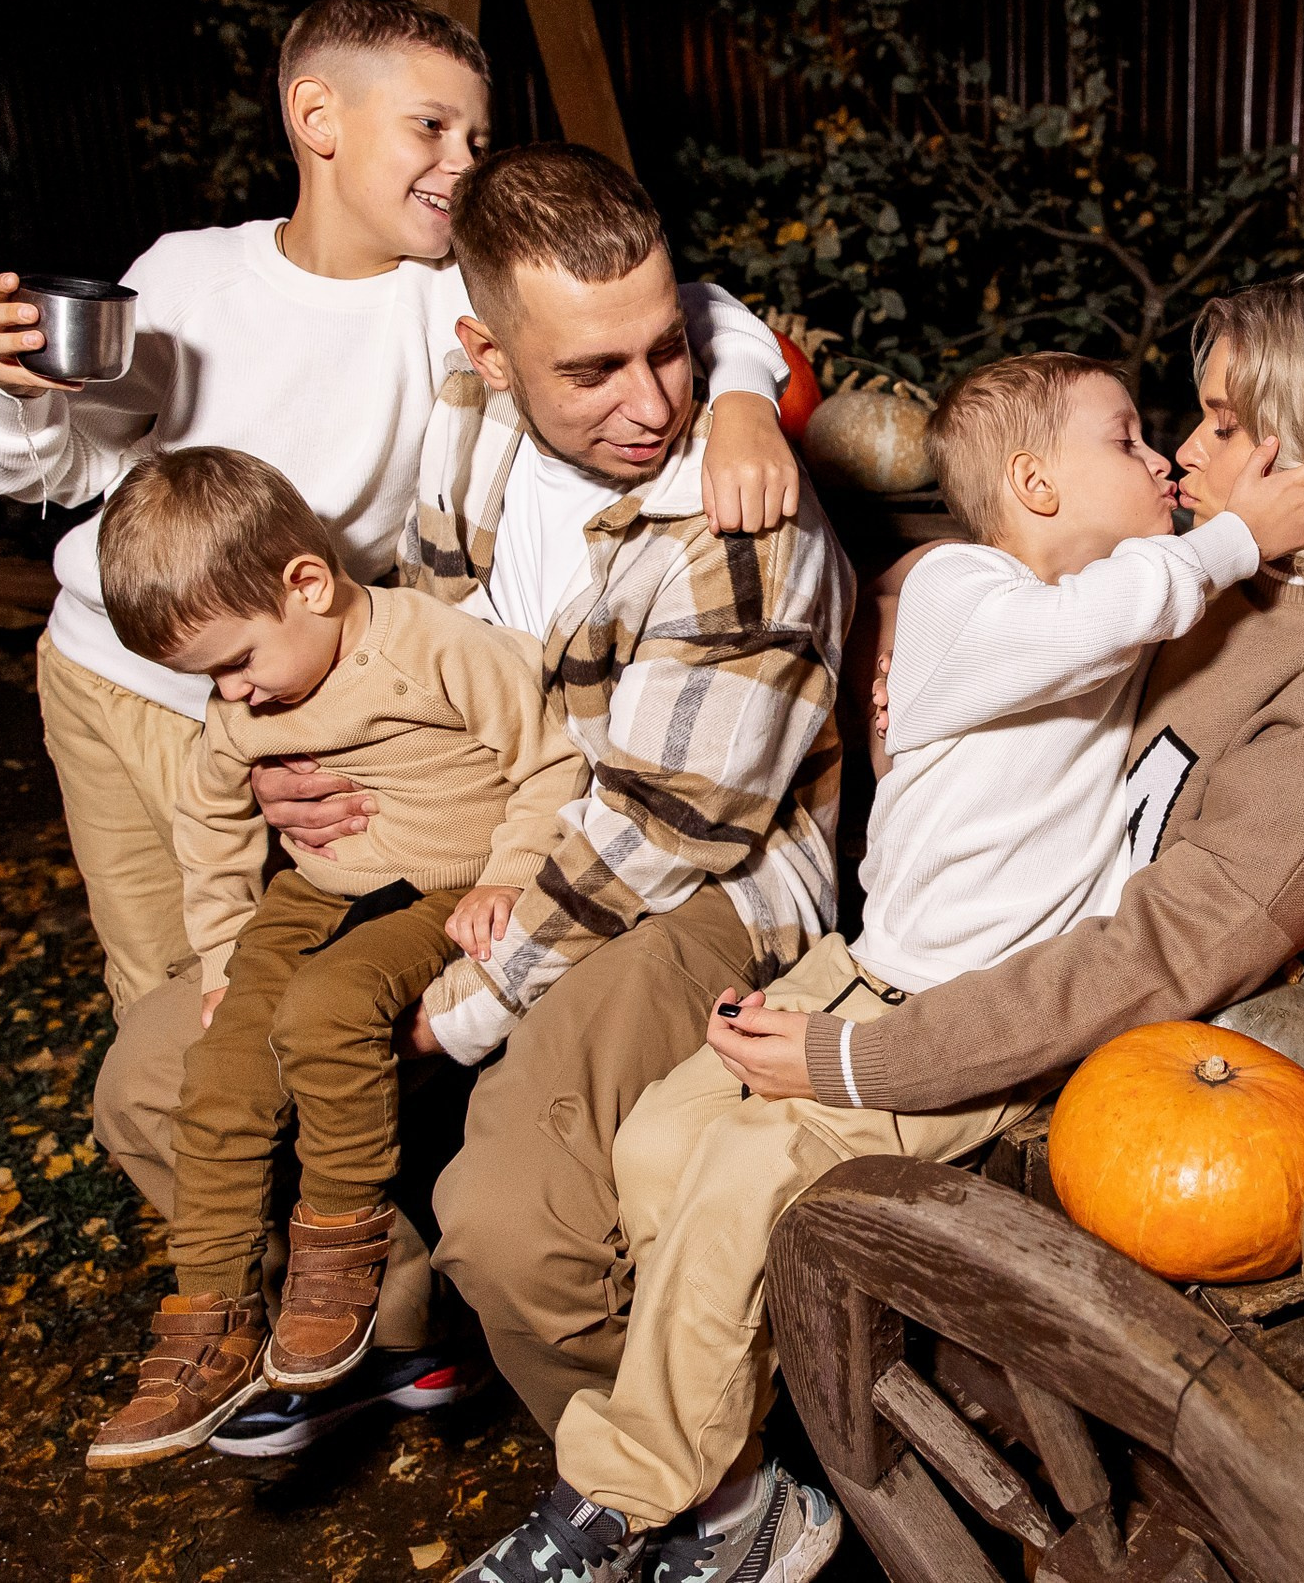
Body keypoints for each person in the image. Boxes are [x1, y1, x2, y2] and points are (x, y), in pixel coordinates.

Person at [451, 268, 1304, 1581]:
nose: (1186, 454)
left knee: (737, 1184)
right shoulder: (1219, 572)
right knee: (666, 1136)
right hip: (921, 956)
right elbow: (1024, 562)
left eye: (1225, 424)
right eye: (1181, 423)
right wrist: (918, 613)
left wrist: (871, 1062)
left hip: (1040, 1031)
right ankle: (736, 1490)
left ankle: (617, 1500)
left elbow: (1171, 947)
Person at [0, 0, 798, 1440]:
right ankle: (297, 1309)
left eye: (477, 133)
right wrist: (17, 382)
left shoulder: (447, 303)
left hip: (396, 737)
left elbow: (662, 303)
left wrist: (744, 394)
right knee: (176, 1004)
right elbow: (58, 461)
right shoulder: (197, 278)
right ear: (316, 121)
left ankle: (407, 1333)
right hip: (153, 683)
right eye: (431, 127)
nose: (460, 161)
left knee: (317, 1031)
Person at [210, 142, 852, 1473]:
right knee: (171, 1072)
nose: (652, 402)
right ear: (489, 354)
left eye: (672, 351)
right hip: (497, 836)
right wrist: (322, 750)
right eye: (595, 370)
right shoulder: (471, 416)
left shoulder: (741, 528)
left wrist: (461, 1008)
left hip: (704, 888)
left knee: (510, 1217)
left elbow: (666, 834)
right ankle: (385, 1337)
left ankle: (690, 1487)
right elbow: (428, 627)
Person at [78, 447, 585, 1467]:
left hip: (439, 885)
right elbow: (210, 827)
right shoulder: (239, 703)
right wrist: (224, 959)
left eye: (237, 662)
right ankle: (211, 1316)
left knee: (327, 1009)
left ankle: (341, 1259)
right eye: (209, 678)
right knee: (221, 1066)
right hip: (314, 889)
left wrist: (507, 877)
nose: (232, 695)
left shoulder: (432, 647)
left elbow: (551, 758)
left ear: (306, 583)